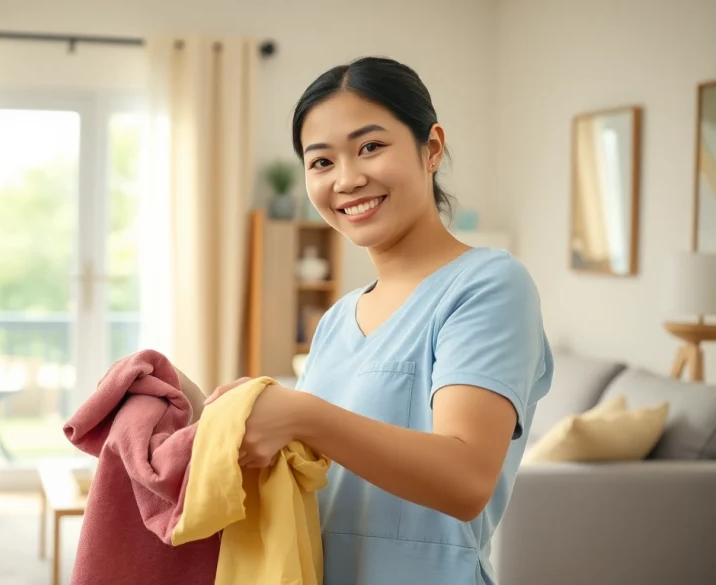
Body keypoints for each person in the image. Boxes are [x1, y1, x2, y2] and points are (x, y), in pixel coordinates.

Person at [204, 56, 553, 584]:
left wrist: (300, 414)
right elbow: (312, 472)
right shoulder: (338, 319)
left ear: (431, 148)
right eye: (321, 162)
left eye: (370, 147)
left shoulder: (488, 286)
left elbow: (465, 479)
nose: (347, 179)